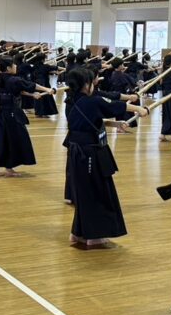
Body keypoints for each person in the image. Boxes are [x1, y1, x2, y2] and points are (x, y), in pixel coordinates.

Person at [62, 67, 148, 248]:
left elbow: (91, 120)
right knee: (96, 192)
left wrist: (115, 123)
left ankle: (78, 233)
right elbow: (113, 106)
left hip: (78, 152)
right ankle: (94, 236)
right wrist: (139, 108)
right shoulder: (91, 101)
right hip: (89, 153)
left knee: (85, 192)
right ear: (86, 84)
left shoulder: (73, 100)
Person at [0, 58, 55, 177]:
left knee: (2, 138)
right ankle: (8, 168)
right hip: (10, 112)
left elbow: (16, 91)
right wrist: (47, 89)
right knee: (15, 139)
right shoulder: (14, 79)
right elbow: (32, 85)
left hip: (1, 112)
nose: (16, 66)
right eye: (13, 64)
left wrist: (32, 94)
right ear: (8, 68)